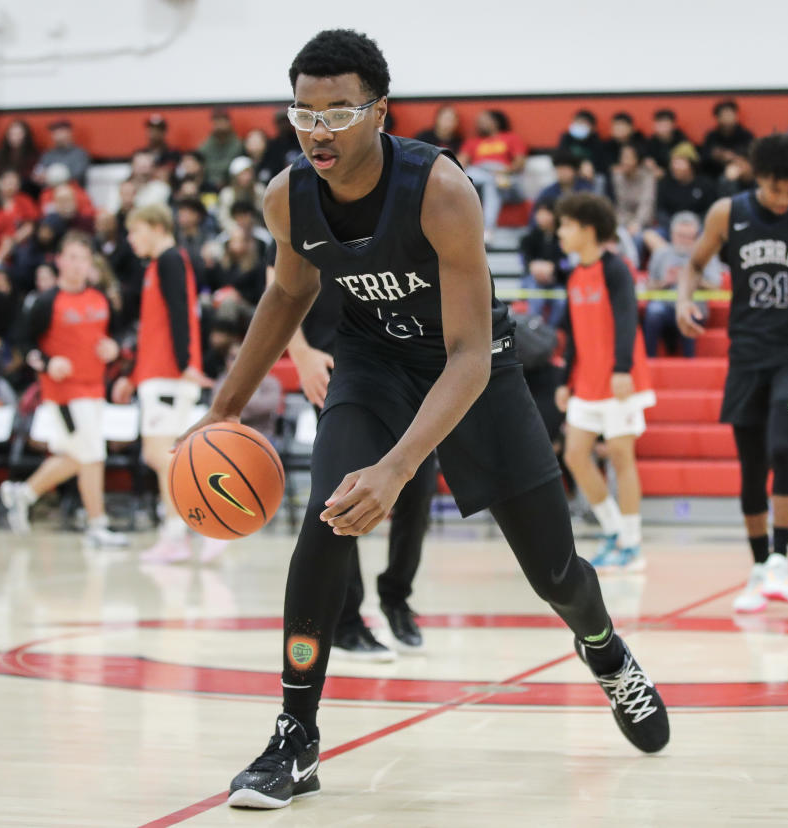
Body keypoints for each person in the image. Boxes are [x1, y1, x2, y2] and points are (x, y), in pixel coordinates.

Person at [177, 30, 669, 810]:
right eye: (303, 113)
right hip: (372, 364)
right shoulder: (287, 196)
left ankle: (607, 653)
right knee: (326, 520)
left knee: (556, 575)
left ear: (380, 112)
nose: (319, 130)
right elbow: (289, 292)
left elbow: (470, 355)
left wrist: (400, 467)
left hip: (475, 371)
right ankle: (294, 739)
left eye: (339, 113)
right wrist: (223, 408)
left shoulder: (439, 190)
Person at [675, 133, 788, 613]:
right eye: (777, 189)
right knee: (751, 464)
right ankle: (758, 567)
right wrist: (684, 299)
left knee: (781, 446)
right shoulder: (726, 213)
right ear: (759, 179)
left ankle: (780, 557)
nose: (785, 198)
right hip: (746, 351)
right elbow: (693, 264)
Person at [276, 241, 435, 661]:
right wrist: (301, 352)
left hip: (405, 368)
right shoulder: (310, 206)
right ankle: (346, 620)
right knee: (339, 495)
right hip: (337, 372)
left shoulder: (397, 206)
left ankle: (396, 596)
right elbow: (278, 287)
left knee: (417, 494)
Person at [0, 232, 128, 547]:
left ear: (90, 263)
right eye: (70, 257)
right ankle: (97, 524)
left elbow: (113, 337)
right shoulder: (45, 302)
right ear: (59, 261)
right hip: (64, 393)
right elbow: (23, 342)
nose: (76, 264)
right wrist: (46, 361)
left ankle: (24, 493)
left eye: (82, 258)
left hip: (95, 388)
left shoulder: (100, 298)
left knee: (76, 455)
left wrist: (113, 349)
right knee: (93, 454)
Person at [553, 193, 655, 571]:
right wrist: (565, 379)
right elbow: (575, 333)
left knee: (621, 457)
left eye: (566, 225)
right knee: (575, 455)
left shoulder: (616, 269)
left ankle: (633, 543)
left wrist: (623, 368)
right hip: (586, 382)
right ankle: (613, 530)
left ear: (588, 229)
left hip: (619, 380)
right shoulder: (575, 273)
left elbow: (628, 319)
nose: (560, 232)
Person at [111, 204, 209, 563]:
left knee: (160, 454)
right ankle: (195, 530)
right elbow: (155, 329)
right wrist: (134, 376)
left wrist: (185, 364)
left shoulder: (170, 260)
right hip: (157, 374)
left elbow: (182, 313)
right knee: (170, 456)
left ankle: (186, 530)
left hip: (170, 374)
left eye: (135, 231)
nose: (130, 239)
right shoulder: (157, 264)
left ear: (155, 226)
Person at [643, 211, 719, 357]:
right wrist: (666, 281)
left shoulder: (704, 253)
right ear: (672, 234)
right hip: (664, 304)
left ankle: (690, 365)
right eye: (680, 236)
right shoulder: (661, 253)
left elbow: (715, 285)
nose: (684, 240)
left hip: (694, 304)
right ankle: (649, 362)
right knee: (653, 312)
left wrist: (690, 279)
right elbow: (648, 286)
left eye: (689, 237)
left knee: (689, 314)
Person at [458, 109, 527, 233]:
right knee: (487, 179)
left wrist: (505, 171)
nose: (480, 123)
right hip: (479, 173)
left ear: (496, 121)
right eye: (479, 121)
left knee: (492, 183)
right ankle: (488, 231)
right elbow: (460, 163)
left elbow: (520, 162)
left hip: (503, 176)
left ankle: (488, 229)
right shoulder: (472, 142)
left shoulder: (511, 138)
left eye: (485, 120)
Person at [700, 100, 754, 179]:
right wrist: (717, 156)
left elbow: (751, 156)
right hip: (714, 175)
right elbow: (703, 158)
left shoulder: (746, 135)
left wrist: (733, 157)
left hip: (740, 174)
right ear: (718, 118)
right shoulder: (711, 137)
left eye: (731, 114)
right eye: (724, 115)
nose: (728, 118)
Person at [198, 108, 245, 190]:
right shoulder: (207, 144)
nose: (219, 124)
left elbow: (232, 165)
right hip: (208, 184)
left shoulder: (237, 144)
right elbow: (201, 162)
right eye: (216, 121)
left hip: (230, 184)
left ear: (229, 122)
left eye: (222, 120)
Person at [34, 120, 90, 186]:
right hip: (50, 190)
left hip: (73, 190)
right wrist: (38, 176)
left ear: (69, 133)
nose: (58, 136)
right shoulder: (48, 154)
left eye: (61, 132)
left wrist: (52, 177)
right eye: (54, 133)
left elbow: (78, 175)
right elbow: (38, 171)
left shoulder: (79, 154)